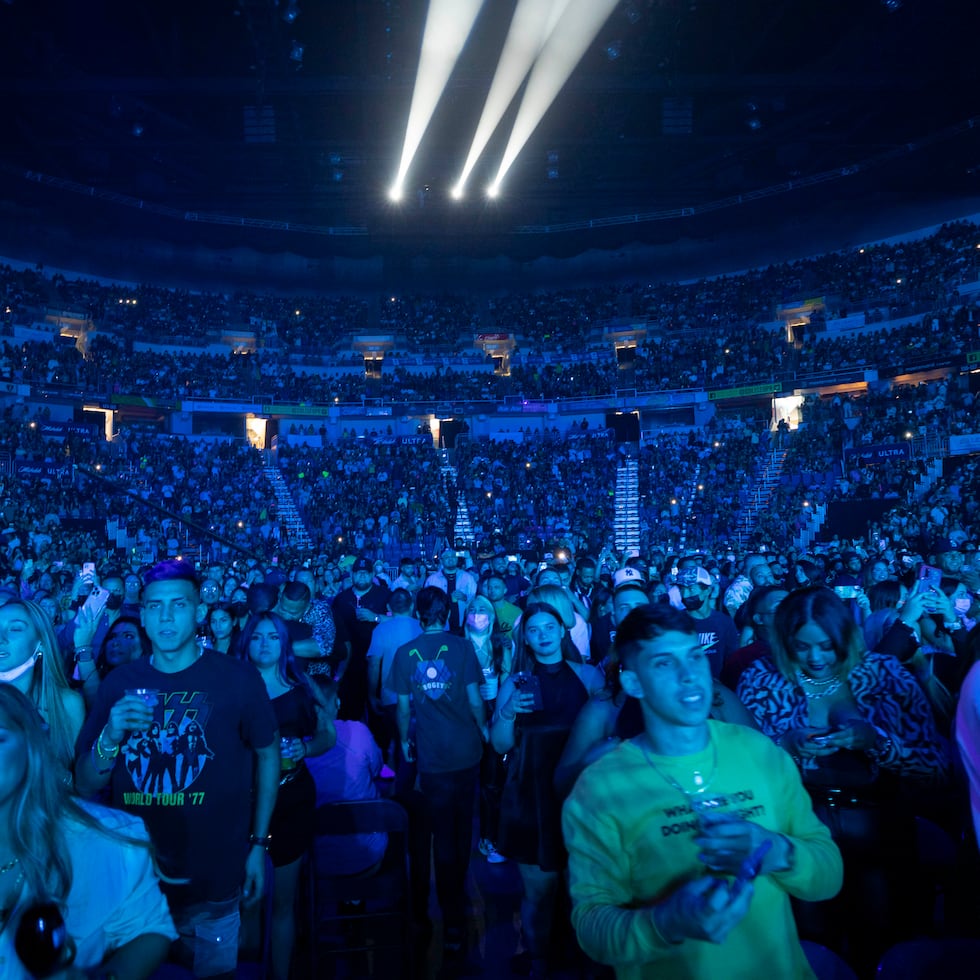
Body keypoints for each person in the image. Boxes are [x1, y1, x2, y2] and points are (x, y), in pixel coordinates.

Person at [562, 604, 843, 980]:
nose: (689, 675)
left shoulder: (760, 753)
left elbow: (830, 875)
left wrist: (776, 851)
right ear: (633, 683)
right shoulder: (600, 789)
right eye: (664, 663)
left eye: (694, 657)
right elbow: (593, 929)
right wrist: (667, 921)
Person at [74, 558, 280, 980]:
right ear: (142, 614)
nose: (165, 616)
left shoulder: (237, 679)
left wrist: (259, 844)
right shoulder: (119, 683)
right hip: (134, 880)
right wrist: (110, 737)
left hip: (214, 879)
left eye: (178, 605)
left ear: (199, 611)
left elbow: (268, 755)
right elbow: (83, 782)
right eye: (154, 606)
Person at [736, 586, 950, 971]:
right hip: (800, 831)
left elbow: (935, 769)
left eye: (826, 645)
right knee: (813, 951)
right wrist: (784, 744)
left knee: (884, 944)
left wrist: (878, 743)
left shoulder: (885, 675)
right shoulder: (762, 679)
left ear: (846, 637)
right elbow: (742, 768)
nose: (815, 658)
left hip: (879, 829)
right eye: (802, 647)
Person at [0, 685, 176, 979]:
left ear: (31, 744)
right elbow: (87, 776)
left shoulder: (107, 843)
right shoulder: (120, 682)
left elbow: (148, 930)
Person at [491, 601, 603, 976]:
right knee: (538, 894)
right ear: (526, 636)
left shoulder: (588, 677)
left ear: (562, 631)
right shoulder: (516, 681)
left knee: (585, 888)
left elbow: (608, 733)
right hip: (531, 795)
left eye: (548, 627)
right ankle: (539, 962)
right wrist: (507, 713)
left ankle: (584, 960)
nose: (542, 635)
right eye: (534, 630)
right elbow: (500, 745)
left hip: (579, 792)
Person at [390, 586, 486, 956]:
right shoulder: (462, 648)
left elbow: (402, 709)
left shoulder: (404, 654)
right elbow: (476, 700)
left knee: (441, 837)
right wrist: (486, 730)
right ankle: (456, 911)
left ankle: (448, 920)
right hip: (467, 753)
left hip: (431, 758)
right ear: (448, 612)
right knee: (461, 835)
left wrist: (402, 742)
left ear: (418, 613)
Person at [240, 611, 335, 980]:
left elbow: (328, 735)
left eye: (273, 637)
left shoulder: (301, 686)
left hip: (290, 798)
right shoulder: (234, 684)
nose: (264, 644)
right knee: (246, 899)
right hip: (242, 802)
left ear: (284, 644)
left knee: (283, 901)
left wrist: (305, 749)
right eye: (258, 637)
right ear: (246, 641)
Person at [0, 599, 84, 776]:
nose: (1, 637)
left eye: (15, 629)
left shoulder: (67, 704)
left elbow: (77, 785)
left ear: (41, 644)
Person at [332, 556, 391, 722]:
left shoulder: (384, 595)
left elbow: (400, 619)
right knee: (349, 714)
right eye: (358, 573)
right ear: (352, 574)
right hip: (349, 664)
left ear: (373, 574)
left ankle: (381, 746)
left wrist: (376, 617)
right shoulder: (341, 599)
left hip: (378, 662)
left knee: (378, 714)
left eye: (366, 573)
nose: (362, 576)